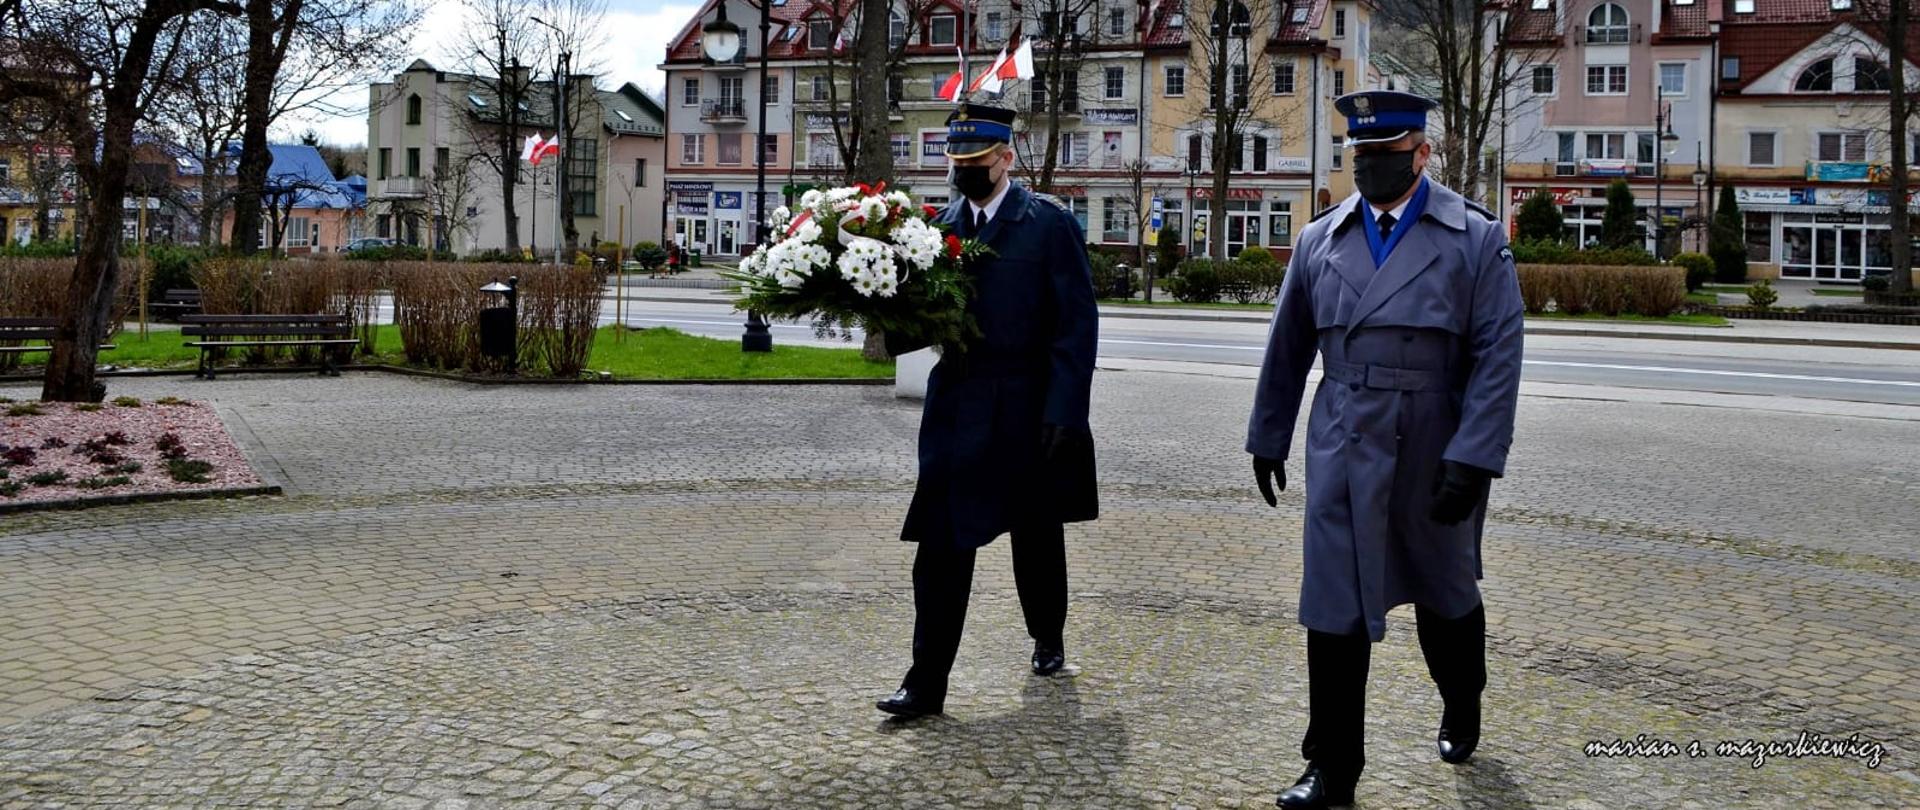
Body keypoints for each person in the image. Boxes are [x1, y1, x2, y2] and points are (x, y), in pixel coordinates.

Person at [1245, 91, 1524, 809]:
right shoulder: (1320, 239)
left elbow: (1498, 354)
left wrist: (1474, 456)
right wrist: (1268, 434)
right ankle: (1331, 768)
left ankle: (1463, 697)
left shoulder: (1473, 237)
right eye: (1360, 154)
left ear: (1421, 153)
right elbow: (1288, 346)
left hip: (1435, 439)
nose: (1369, 166)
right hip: (1343, 433)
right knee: (1331, 605)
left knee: (1445, 594)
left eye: (1386, 153)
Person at [875, 102, 1100, 719]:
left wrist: (1065, 412)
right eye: (958, 163)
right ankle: (926, 682)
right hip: (959, 401)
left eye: (978, 162)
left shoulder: (1048, 225)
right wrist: (872, 297)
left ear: (1006, 157)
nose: (967, 172)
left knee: (1036, 531)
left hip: (1027, 403)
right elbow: (914, 322)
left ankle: (1046, 633)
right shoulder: (936, 229)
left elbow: (1076, 327)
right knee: (942, 543)